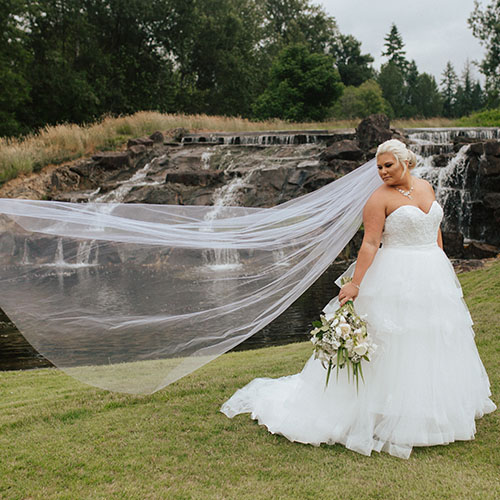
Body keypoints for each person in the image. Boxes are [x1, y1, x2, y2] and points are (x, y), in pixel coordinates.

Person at [220, 139, 496, 459]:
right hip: (395, 273)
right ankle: (382, 412)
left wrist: (442, 263)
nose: (382, 172)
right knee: (394, 340)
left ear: (405, 161)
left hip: (432, 273)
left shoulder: (426, 188)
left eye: (388, 165)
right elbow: (369, 245)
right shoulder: (377, 200)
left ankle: (430, 407)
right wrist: (354, 284)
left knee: (433, 337)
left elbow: (434, 229)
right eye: (378, 167)